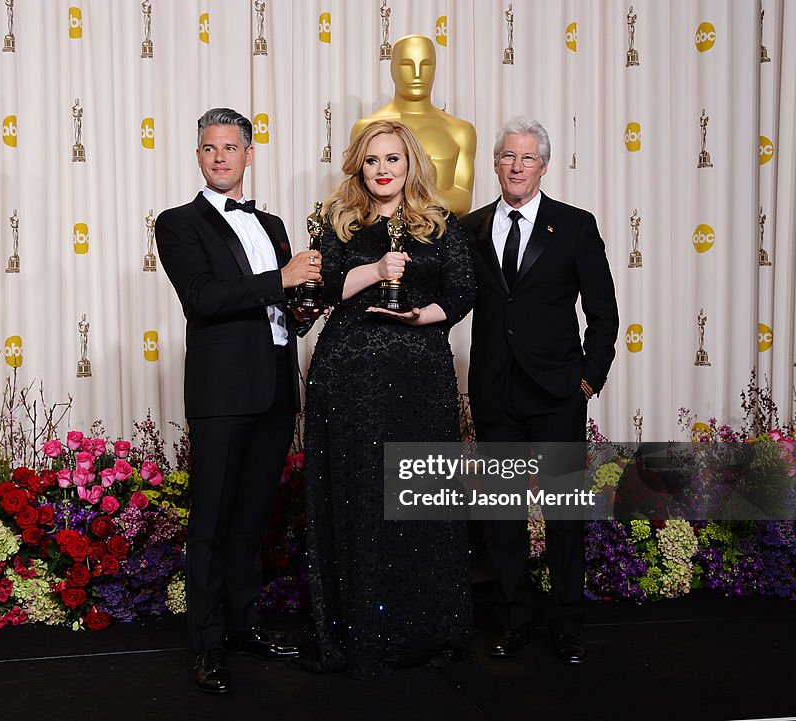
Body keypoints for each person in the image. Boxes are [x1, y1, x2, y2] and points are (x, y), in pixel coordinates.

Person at [297, 120, 476, 679]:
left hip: (419, 376)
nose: (382, 169)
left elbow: (462, 293)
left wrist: (421, 314)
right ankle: (358, 633)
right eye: (372, 160)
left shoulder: (439, 225)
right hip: (349, 378)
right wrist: (372, 271)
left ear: (410, 165)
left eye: (392, 159)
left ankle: (424, 628)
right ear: (359, 165)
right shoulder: (338, 223)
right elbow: (320, 291)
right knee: (358, 496)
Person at [156, 107, 322, 694]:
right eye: (209, 147)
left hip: (276, 388)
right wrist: (284, 279)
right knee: (212, 523)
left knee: (253, 521)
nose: (220, 156)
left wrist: (304, 305)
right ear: (198, 156)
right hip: (222, 392)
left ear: (249, 154)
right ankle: (206, 646)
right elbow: (204, 297)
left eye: (231, 147)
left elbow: (277, 312)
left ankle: (244, 627)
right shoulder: (177, 223)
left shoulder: (272, 223)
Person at [461, 117, 618, 665]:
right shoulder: (472, 228)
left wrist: (587, 380)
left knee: (563, 518)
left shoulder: (574, 226)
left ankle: (568, 624)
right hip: (496, 392)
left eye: (527, 158)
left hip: (556, 393)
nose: (516, 166)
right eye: (507, 156)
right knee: (503, 516)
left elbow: (603, 313)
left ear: (544, 166)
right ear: (495, 164)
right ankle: (512, 620)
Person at [351, 35, 476, 216]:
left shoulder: (460, 131)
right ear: (392, 69)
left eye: (425, 65)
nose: (417, 73)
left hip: (442, 237)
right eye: (407, 65)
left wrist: (406, 196)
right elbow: (357, 195)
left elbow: (463, 201)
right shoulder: (365, 128)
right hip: (378, 237)